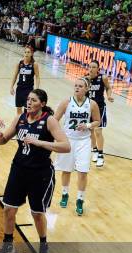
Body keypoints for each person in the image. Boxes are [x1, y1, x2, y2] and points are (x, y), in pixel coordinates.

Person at [0, 89, 70, 253]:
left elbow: (66, 146)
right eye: (28, 99)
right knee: (8, 209)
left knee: (37, 213)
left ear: (42, 104)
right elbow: (3, 141)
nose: (29, 102)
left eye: (33, 100)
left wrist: (39, 142)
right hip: (19, 169)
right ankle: (8, 245)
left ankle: (43, 245)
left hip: (40, 173)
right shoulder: (20, 119)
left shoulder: (49, 121)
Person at [53, 78, 101, 216]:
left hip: (84, 141)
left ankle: (80, 199)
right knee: (66, 170)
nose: (77, 88)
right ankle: (65, 194)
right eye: (76, 85)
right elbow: (54, 120)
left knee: (83, 171)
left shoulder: (92, 104)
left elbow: (97, 121)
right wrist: (58, 136)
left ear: (87, 89)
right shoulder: (66, 102)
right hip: (68, 140)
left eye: (80, 86)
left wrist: (87, 125)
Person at [86, 60, 114, 167]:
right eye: (90, 67)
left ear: (98, 69)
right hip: (88, 109)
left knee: (98, 131)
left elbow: (108, 87)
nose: (91, 69)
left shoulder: (103, 78)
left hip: (100, 108)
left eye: (94, 67)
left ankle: (101, 155)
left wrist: (109, 95)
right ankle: (94, 150)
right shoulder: (85, 79)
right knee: (90, 131)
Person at [10, 46, 40, 116]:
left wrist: (37, 89)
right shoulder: (20, 63)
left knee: (27, 110)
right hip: (19, 89)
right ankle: (20, 124)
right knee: (19, 111)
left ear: (31, 54)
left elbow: (37, 77)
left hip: (29, 90)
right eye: (25, 52)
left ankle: (27, 124)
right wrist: (11, 87)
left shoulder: (34, 64)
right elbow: (15, 76)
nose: (26, 54)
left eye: (28, 52)